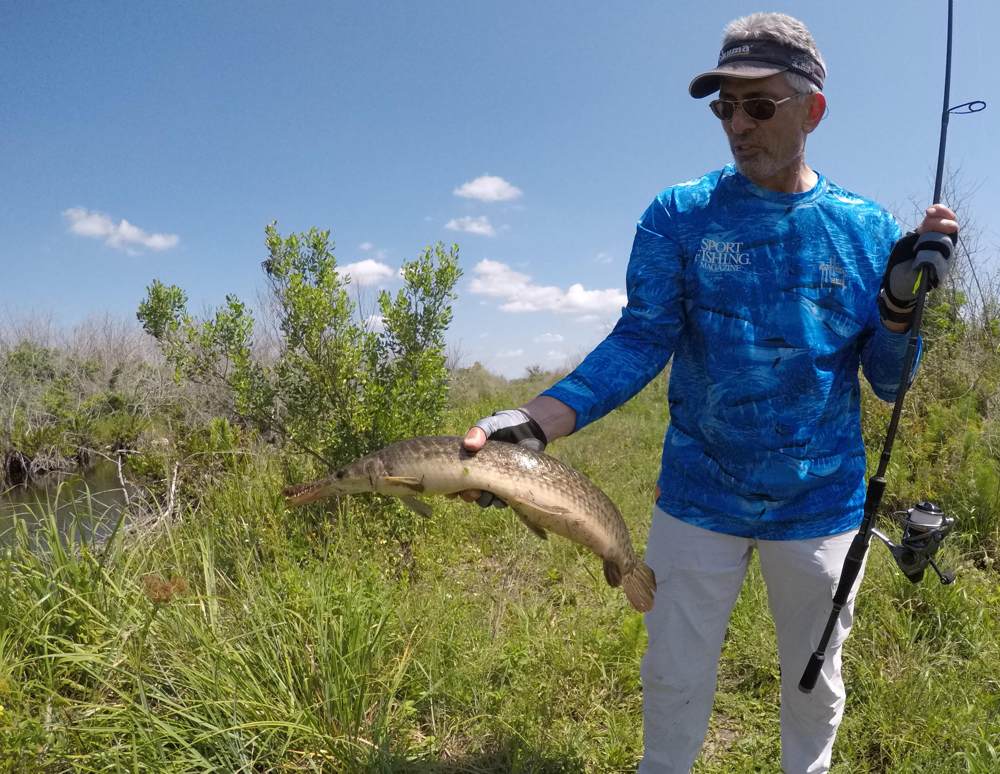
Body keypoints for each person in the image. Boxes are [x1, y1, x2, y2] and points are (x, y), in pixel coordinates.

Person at [458, 12, 959, 774]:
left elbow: (889, 382)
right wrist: (530, 423)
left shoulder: (862, 229)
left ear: (812, 109)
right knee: (672, 677)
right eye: (725, 105)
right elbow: (639, 339)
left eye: (759, 105)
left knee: (816, 682)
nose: (737, 124)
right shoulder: (679, 216)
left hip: (821, 505)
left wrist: (899, 305)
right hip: (696, 499)